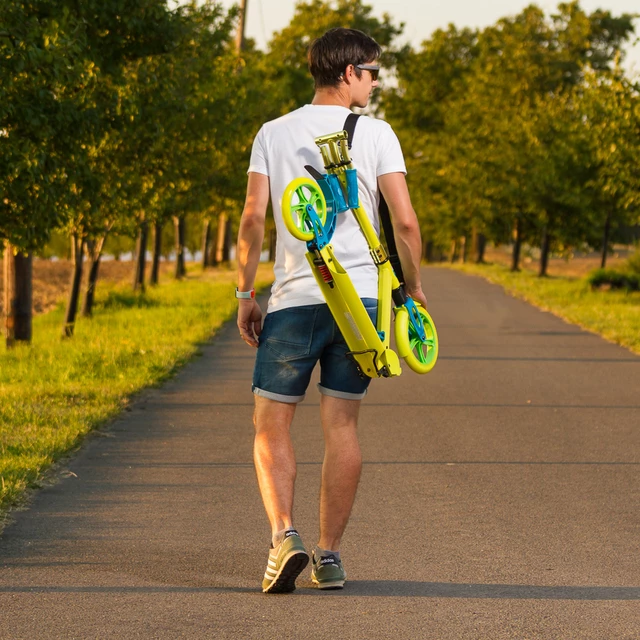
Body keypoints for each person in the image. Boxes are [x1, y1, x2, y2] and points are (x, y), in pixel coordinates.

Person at [236, 27, 427, 594]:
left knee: (271, 424)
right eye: (371, 72)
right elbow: (407, 223)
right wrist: (412, 293)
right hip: (361, 305)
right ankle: (331, 556)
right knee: (342, 424)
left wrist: (246, 294)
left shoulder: (272, 132)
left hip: (296, 297)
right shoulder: (378, 135)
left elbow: (252, 219)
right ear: (347, 73)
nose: (374, 82)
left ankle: (283, 539)